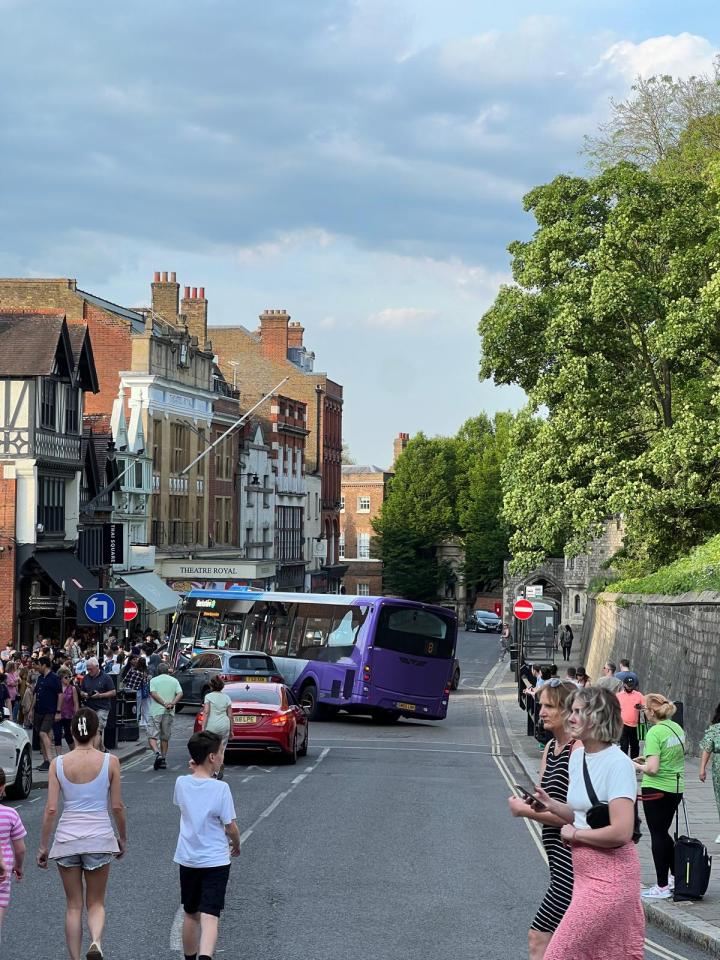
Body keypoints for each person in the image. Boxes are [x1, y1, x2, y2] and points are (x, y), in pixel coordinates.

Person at [535, 686, 644, 960]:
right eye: (570, 711)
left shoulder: (618, 764)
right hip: (583, 875)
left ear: (597, 717)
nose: (570, 717)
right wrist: (553, 806)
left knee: (557, 955)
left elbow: (621, 831)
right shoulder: (578, 757)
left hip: (611, 878)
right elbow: (580, 813)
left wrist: (576, 835)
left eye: (577, 711)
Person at [37, 708, 126, 960]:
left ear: (71, 733)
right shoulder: (111, 762)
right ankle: (96, 942)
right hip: (99, 838)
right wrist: (122, 838)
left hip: (67, 840)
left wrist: (44, 847)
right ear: (97, 733)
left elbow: (51, 809)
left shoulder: (58, 764)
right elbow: (117, 807)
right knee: (96, 903)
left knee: (73, 906)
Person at [508, 680, 577, 960]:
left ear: (567, 709)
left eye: (549, 705)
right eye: (542, 705)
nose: (542, 712)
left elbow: (578, 815)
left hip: (572, 865)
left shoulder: (578, 749)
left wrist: (525, 812)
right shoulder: (550, 748)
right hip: (556, 862)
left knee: (540, 936)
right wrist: (533, 802)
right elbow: (546, 798)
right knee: (564, 945)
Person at [174, 731, 240, 960]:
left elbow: (186, 799)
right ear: (212, 757)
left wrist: (196, 770)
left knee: (190, 913)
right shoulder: (221, 789)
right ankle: (205, 957)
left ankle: (190, 957)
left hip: (188, 858)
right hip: (215, 860)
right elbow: (230, 826)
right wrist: (236, 844)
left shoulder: (181, 783)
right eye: (221, 752)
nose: (223, 756)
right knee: (210, 915)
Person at [634, 693, 685, 899]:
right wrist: (645, 758)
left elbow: (653, 769)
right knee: (664, 833)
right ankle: (674, 876)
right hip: (675, 787)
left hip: (656, 789)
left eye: (644, 709)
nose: (644, 713)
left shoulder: (655, 732)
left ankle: (662, 885)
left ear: (652, 711)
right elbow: (669, 756)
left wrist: (634, 765)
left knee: (658, 835)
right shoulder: (676, 727)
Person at [0, 767, 26, 948]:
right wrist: (18, 866)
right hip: (2, 873)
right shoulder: (10, 814)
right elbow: (20, 849)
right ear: (2, 787)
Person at [149, 662, 183, 771]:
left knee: (152, 735)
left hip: (156, 711)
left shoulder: (153, 680)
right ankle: (163, 759)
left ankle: (157, 753)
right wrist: (172, 703)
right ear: (167, 670)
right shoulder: (174, 680)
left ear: (158, 671)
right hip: (169, 712)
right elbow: (180, 693)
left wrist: (163, 703)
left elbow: (153, 694)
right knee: (165, 737)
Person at [33, 656, 63, 770]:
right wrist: (31, 710)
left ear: (44, 665)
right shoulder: (40, 678)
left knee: (43, 733)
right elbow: (36, 694)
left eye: (39, 665)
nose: (37, 667)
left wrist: (58, 711)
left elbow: (60, 695)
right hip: (39, 710)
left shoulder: (54, 678)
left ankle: (51, 761)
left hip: (50, 711)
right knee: (42, 736)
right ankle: (45, 761)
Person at [80, 658, 116, 749]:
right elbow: (81, 691)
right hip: (89, 707)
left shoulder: (106, 677)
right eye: (87, 669)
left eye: (91, 669)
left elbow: (113, 692)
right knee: (90, 730)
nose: (89, 671)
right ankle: (102, 749)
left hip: (102, 707)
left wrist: (100, 695)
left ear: (97, 667)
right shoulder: (86, 678)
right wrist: (83, 694)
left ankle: (94, 751)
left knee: (97, 730)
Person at [202, 677, 233, 779]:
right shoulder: (227, 697)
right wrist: (231, 730)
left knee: (211, 748)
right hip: (224, 725)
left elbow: (206, 712)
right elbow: (230, 715)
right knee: (222, 749)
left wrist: (203, 728)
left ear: (211, 686)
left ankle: (213, 771)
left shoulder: (208, 696)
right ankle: (220, 766)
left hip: (212, 725)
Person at [699, 703, 720, 844]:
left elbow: (707, 749)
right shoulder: (714, 729)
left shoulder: (714, 729)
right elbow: (707, 749)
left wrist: (702, 769)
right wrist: (702, 768)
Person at [617, 677, 644, 759]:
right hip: (623, 725)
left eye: (631, 685)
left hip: (635, 726)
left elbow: (644, 706)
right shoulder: (618, 696)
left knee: (635, 746)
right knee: (624, 746)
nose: (630, 687)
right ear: (624, 684)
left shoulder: (639, 695)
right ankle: (624, 765)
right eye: (628, 685)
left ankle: (635, 763)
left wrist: (640, 707)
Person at [56, 668, 80, 753]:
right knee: (57, 735)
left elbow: (76, 703)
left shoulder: (72, 688)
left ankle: (74, 753)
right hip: (58, 715)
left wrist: (76, 715)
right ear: (61, 678)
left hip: (69, 715)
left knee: (68, 735)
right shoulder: (57, 688)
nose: (69, 679)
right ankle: (59, 757)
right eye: (66, 677)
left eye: (70, 677)